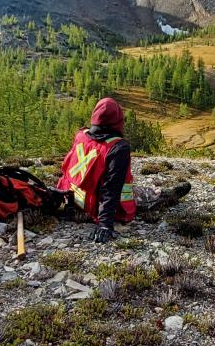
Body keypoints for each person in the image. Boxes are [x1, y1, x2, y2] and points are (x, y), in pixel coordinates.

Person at [58, 97, 189, 243]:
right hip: (97, 205)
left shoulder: (81, 135)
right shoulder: (117, 147)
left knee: (132, 189)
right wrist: (105, 224)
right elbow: (111, 188)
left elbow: (67, 172)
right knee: (144, 194)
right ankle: (165, 195)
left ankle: (161, 193)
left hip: (75, 199)